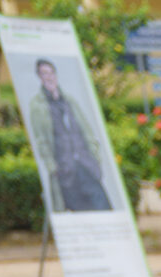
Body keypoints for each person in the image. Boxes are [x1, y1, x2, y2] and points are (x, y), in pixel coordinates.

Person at [27, 59, 110, 213]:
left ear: (55, 75)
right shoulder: (37, 106)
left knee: (103, 209)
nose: (49, 77)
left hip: (86, 165)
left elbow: (86, 130)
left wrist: (95, 156)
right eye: (44, 74)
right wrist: (52, 167)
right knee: (79, 215)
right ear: (39, 77)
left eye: (51, 73)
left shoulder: (69, 101)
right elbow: (41, 141)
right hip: (65, 172)